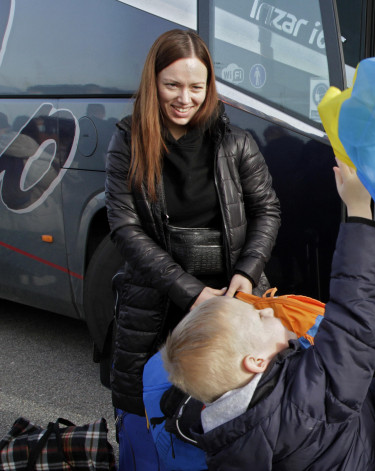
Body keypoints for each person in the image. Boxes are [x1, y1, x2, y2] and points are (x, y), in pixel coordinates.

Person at [158, 160, 375, 470]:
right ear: (255, 360)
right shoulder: (302, 399)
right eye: (260, 317)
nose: (268, 312)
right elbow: (355, 324)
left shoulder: (234, 431)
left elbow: (341, 400)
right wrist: (359, 213)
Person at [104, 29, 280, 468]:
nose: (185, 98)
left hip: (234, 302)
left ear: (209, 87)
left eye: (196, 87)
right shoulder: (127, 141)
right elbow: (125, 229)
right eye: (172, 85)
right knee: (146, 414)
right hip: (155, 303)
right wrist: (193, 294)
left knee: (236, 419)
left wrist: (246, 272)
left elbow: (267, 211)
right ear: (153, 83)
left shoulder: (235, 141)